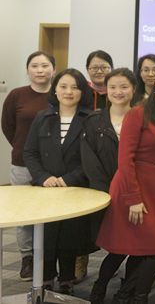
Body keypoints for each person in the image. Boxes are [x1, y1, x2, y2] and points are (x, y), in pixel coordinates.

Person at [96, 67, 155, 304]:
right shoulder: (137, 113)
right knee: (121, 247)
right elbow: (125, 159)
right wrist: (133, 198)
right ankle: (100, 289)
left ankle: (131, 296)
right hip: (131, 182)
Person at [22, 68, 94, 296]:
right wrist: (43, 178)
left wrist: (68, 179)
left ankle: (66, 279)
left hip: (74, 187)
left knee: (70, 235)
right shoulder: (42, 117)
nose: (69, 92)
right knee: (46, 234)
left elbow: (92, 158)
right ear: (55, 90)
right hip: (46, 188)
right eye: (63, 86)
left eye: (75, 87)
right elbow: (29, 153)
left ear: (82, 92)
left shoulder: (90, 120)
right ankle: (45, 278)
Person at [81, 68, 136, 304]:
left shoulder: (142, 118)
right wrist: (109, 192)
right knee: (118, 244)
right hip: (108, 194)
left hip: (137, 193)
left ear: (133, 89)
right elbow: (90, 161)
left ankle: (128, 287)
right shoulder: (94, 121)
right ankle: (101, 284)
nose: (118, 92)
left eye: (124, 86)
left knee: (139, 243)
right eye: (112, 87)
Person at [2, 51, 56, 281]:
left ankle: (48, 259)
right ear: (27, 70)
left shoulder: (60, 93)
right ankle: (27, 258)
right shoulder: (16, 95)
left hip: (53, 166)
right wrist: (23, 147)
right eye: (34, 65)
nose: (40, 70)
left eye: (45, 65)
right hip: (22, 164)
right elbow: (8, 126)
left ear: (54, 69)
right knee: (24, 215)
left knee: (51, 215)